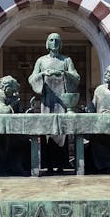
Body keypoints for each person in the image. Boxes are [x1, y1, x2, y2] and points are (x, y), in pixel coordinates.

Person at [28, 33, 80, 172]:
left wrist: (64, 74)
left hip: (62, 101)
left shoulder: (66, 60)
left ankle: (62, 165)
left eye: (57, 40)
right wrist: (43, 74)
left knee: (62, 131)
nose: (54, 42)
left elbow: (76, 77)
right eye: (51, 40)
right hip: (47, 101)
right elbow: (32, 78)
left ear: (60, 44)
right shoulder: (41, 61)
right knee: (48, 132)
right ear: (47, 43)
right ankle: (48, 165)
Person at [0, 76, 30, 174]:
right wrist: (13, 104)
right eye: (12, 89)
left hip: (11, 128)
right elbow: (2, 111)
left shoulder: (12, 96)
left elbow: (19, 112)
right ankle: (3, 168)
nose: (14, 92)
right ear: (6, 87)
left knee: (25, 139)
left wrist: (26, 111)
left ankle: (17, 166)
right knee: (4, 141)